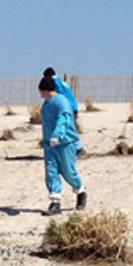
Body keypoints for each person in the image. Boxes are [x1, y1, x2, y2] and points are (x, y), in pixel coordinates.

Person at [38, 76, 87, 216]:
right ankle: (55, 202)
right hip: (50, 144)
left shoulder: (61, 102)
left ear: (45, 90)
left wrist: (57, 135)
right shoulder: (46, 104)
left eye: (41, 90)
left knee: (68, 171)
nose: (40, 93)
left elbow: (64, 119)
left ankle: (80, 192)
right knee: (51, 171)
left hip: (65, 142)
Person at [43, 67, 84, 156]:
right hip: (73, 106)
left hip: (65, 108)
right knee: (72, 128)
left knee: (67, 129)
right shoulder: (62, 82)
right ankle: (78, 147)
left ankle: (77, 149)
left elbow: (54, 95)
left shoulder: (54, 83)